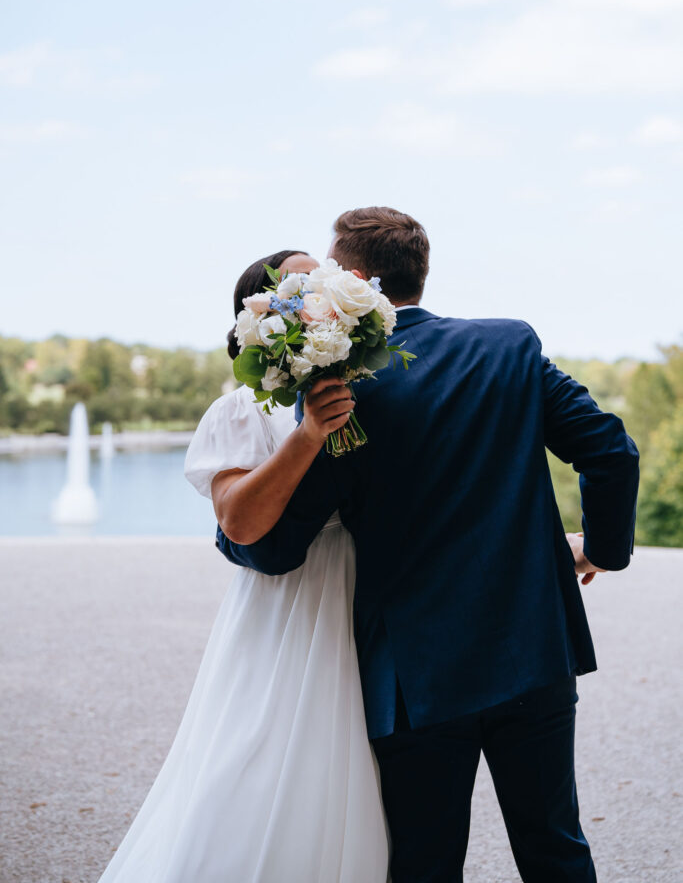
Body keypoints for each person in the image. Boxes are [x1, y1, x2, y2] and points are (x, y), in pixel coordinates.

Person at [217, 207, 640, 883]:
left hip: (414, 677)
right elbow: (610, 453)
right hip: (532, 647)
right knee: (555, 847)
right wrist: (601, 550)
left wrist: (233, 538)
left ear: (355, 280)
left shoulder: (341, 390)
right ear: (419, 272)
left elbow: (276, 548)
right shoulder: (509, 346)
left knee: (423, 862)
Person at [95, 249, 389, 883]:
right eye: (302, 283)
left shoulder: (368, 398)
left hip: (371, 593)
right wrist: (309, 434)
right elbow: (240, 521)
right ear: (267, 316)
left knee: (369, 765)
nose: (319, 289)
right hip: (289, 604)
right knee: (262, 757)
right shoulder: (240, 412)